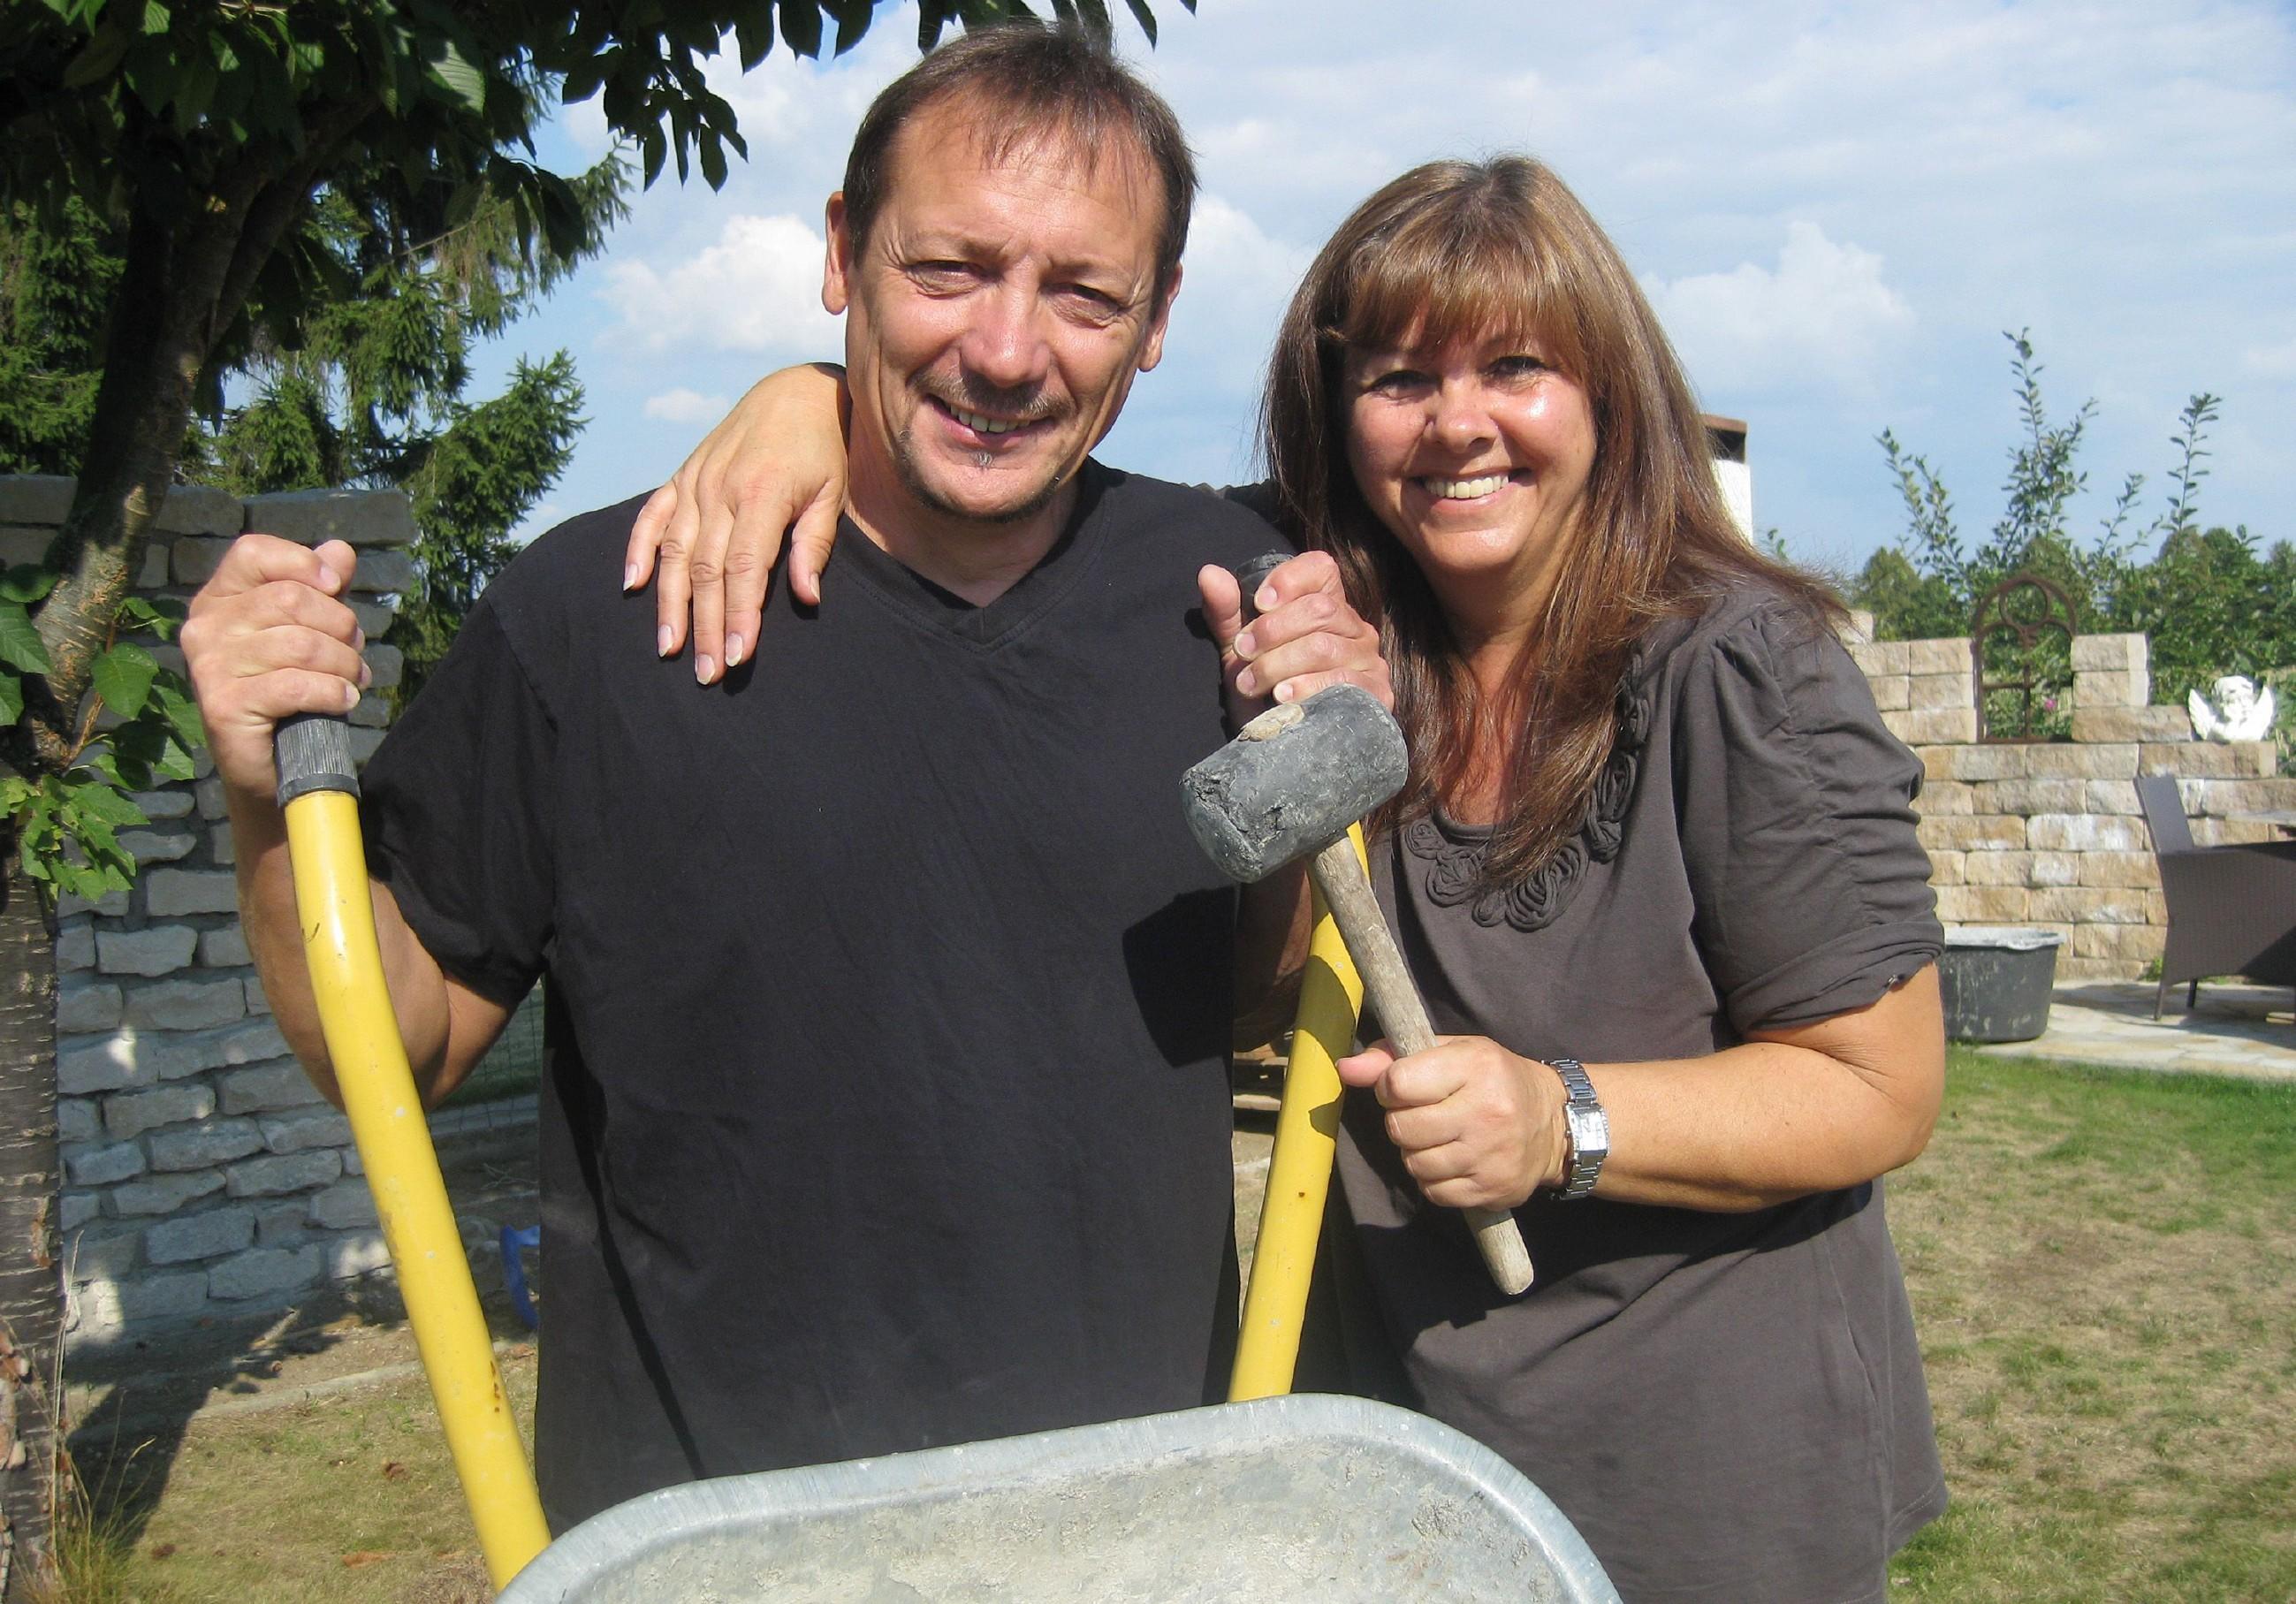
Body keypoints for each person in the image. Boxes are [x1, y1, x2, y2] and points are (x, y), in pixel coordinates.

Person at [628, 156, 1950, 1603]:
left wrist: (1557, 1120)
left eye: (1516, 368)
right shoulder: (1328, 614)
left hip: (1695, 1468)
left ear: (1605, 396)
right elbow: (1035, 465)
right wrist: (807, 402)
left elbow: (1878, 1083)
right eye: (1398, 378)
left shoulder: (1735, 668)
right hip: (1391, 1456)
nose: (1456, 425)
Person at [180, 24, 1389, 1532]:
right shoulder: (597, 610)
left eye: (1082, 293)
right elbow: (398, 1042)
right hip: (713, 1548)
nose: (1008, 352)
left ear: (1156, 321)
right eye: (946, 269)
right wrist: (255, 788)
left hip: (1124, 1529)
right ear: (841, 253)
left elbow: (1248, 1007)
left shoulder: (1227, 609)